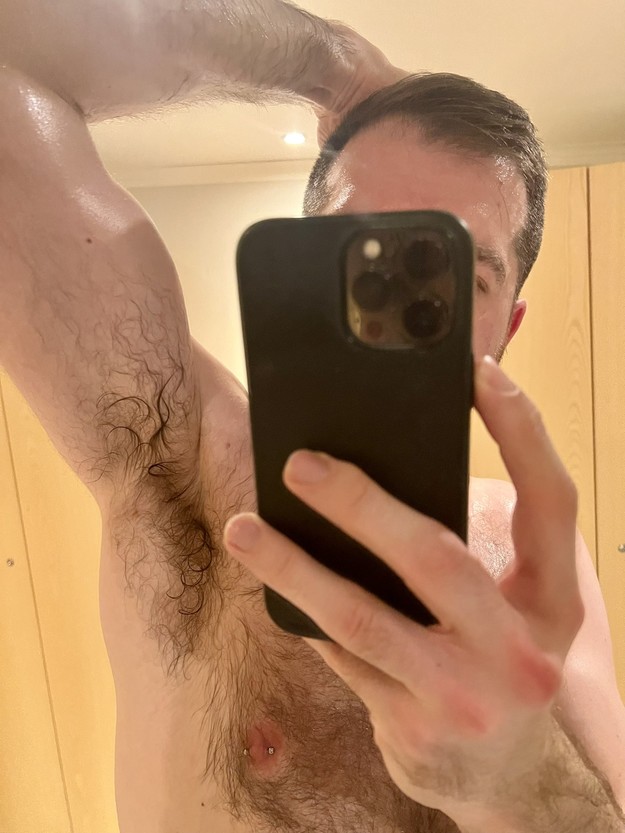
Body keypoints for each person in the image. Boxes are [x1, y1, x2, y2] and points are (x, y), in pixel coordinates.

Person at [0, 1, 624, 831]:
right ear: (296, 267)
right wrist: (330, 65)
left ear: (504, 328)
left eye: (454, 274)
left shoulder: (527, 550)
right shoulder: (179, 460)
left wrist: (518, 777)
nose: (394, 313)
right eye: (356, 252)